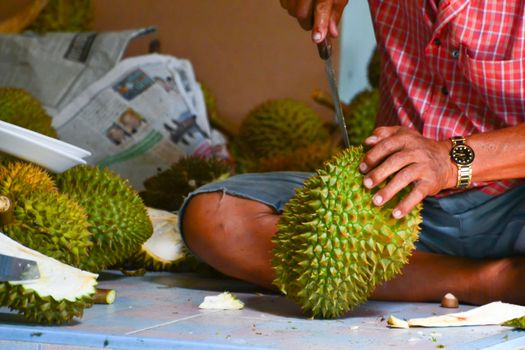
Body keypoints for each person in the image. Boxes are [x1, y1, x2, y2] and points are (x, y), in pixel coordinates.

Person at [179, 0, 525, 306]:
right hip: (394, 202)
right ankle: (486, 280)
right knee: (213, 218)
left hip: (512, 200)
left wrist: (448, 162)